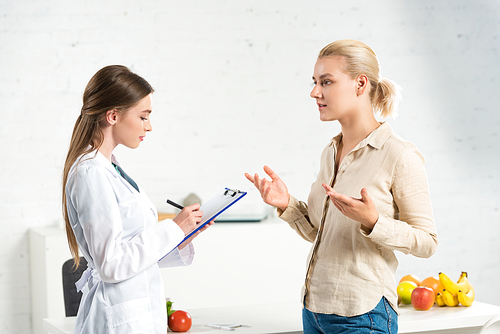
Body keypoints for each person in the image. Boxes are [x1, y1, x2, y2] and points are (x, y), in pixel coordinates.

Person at [245, 40, 438, 333]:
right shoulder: (330, 152)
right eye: (315, 82)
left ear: (360, 84)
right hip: (314, 312)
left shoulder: (398, 155)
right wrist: (286, 204)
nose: (314, 92)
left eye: (326, 82)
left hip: (363, 314)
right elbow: (320, 233)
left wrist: (374, 222)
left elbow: (427, 242)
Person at [62, 65, 212, 334]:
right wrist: (173, 228)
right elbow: (110, 264)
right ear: (112, 116)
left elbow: (132, 251)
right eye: (143, 117)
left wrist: (181, 236)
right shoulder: (90, 173)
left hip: (137, 314)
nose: (149, 126)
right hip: (115, 319)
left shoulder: (110, 168)